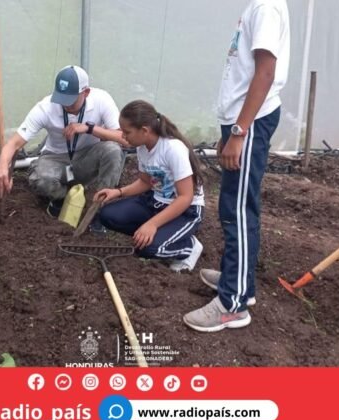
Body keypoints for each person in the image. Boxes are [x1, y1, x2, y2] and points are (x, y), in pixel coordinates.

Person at [184, 0, 290, 332]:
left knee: (238, 211)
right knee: (235, 206)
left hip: (252, 121)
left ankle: (233, 303)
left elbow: (265, 72)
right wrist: (230, 129)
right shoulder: (258, 6)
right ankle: (238, 279)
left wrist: (240, 131)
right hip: (244, 121)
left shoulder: (266, 8)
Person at [0, 65, 126, 221]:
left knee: (113, 151)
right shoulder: (45, 107)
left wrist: (89, 128)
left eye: (71, 100)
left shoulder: (101, 100)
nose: (66, 105)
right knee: (40, 179)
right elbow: (14, 143)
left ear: (86, 92)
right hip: (56, 158)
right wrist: (2, 166)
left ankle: (100, 208)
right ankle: (64, 199)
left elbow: (124, 138)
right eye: (61, 98)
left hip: (89, 155)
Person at [94, 100, 205, 271]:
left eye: (126, 132)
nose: (122, 136)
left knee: (148, 249)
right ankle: (162, 235)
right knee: (108, 215)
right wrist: (118, 192)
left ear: (144, 130)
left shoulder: (172, 149)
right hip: (155, 202)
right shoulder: (142, 147)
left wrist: (152, 224)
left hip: (186, 211)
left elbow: (185, 197)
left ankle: (189, 247)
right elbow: (146, 182)